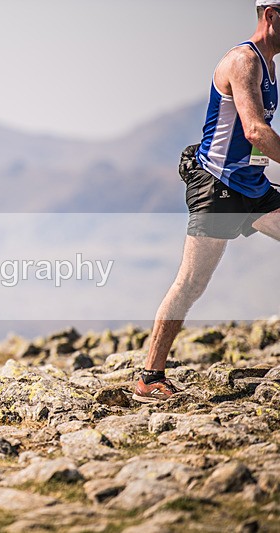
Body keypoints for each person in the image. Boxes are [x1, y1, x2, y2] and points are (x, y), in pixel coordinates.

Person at [135, 1, 280, 403]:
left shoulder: (268, 67)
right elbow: (255, 131)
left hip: (251, 187)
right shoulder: (242, 61)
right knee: (191, 283)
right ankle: (150, 377)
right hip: (216, 188)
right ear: (270, 16)